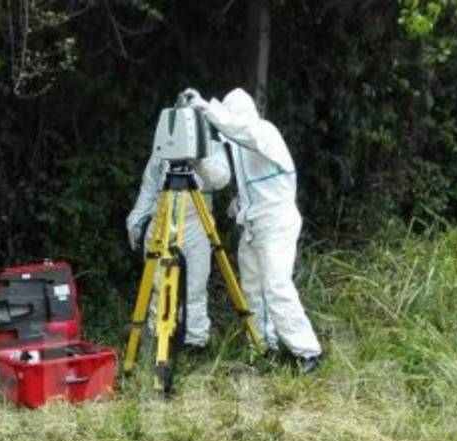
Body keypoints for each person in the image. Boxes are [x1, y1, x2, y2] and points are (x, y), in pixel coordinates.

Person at [184, 87, 322, 373]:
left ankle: (307, 351)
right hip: (252, 223)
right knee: (252, 290)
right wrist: (196, 161)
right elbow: (221, 176)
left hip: (276, 221)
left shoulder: (262, 131)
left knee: (277, 285)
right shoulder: (235, 144)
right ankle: (262, 347)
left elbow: (242, 132)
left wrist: (206, 108)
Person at [125, 123, 230, 350]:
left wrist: (199, 161)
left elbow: (221, 179)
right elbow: (150, 185)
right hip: (163, 219)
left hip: (197, 223)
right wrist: (137, 216)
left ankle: (195, 340)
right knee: (158, 283)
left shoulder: (211, 146)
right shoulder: (164, 148)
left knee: (195, 286)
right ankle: (160, 335)